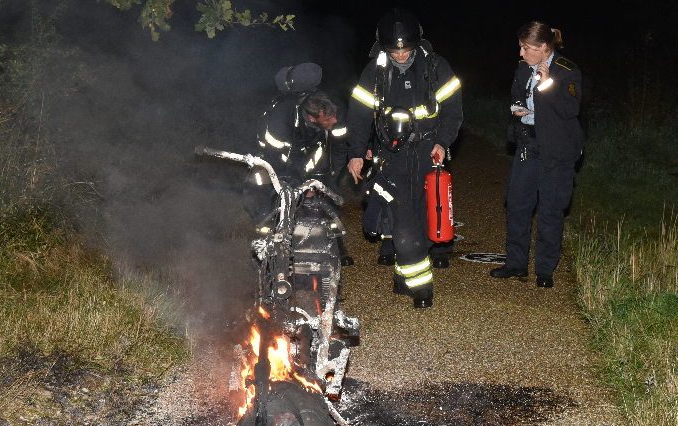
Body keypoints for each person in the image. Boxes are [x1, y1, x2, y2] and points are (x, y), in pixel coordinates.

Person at [346, 8, 463, 308]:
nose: (400, 56)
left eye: (406, 51)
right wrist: (357, 152)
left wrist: (442, 142)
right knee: (403, 220)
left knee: (422, 218)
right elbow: (359, 115)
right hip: (391, 156)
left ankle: (404, 276)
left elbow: (453, 113)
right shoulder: (374, 71)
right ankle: (422, 287)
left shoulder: (437, 67)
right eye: (394, 51)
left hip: (426, 155)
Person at [490, 21, 583, 288]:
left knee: (551, 210)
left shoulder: (567, 71)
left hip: (557, 152)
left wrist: (546, 85)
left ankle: (545, 271)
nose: (521, 53)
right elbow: (517, 93)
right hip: (528, 146)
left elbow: (570, 110)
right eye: (520, 46)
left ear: (543, 48)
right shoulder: (522, 68)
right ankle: (516, 264)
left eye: (526, 48)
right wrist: (517, 106)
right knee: (517, 205)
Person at [247, 62, 353, 264]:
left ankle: (336, 246)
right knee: (261, 196)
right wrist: (296, 181)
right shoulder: (282, 115)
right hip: (273, 161)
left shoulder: (330, 109)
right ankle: (266, 246)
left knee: (326, 196)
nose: (334, 121)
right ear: (312, 119)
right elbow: (277, 155)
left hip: (309, 158)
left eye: (335, 117)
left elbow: (334, 147)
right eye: (328, 120)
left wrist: (318, 179)